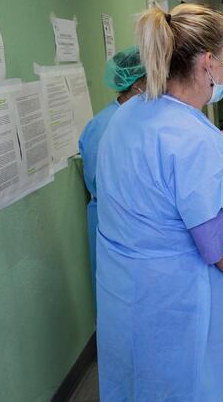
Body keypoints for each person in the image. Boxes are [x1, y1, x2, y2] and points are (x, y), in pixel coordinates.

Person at [94, 4, 223, 401]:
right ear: (207, 63)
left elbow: (198, 151)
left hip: (128, 296)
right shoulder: (193, 140)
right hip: (180, 306)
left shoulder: (132, 113)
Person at [78, 46, 145, 299]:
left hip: (129, 221)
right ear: (138, 84)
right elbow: (101, 181)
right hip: (114, 220)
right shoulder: (106, 124)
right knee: (119, 295)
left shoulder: (137, 117)